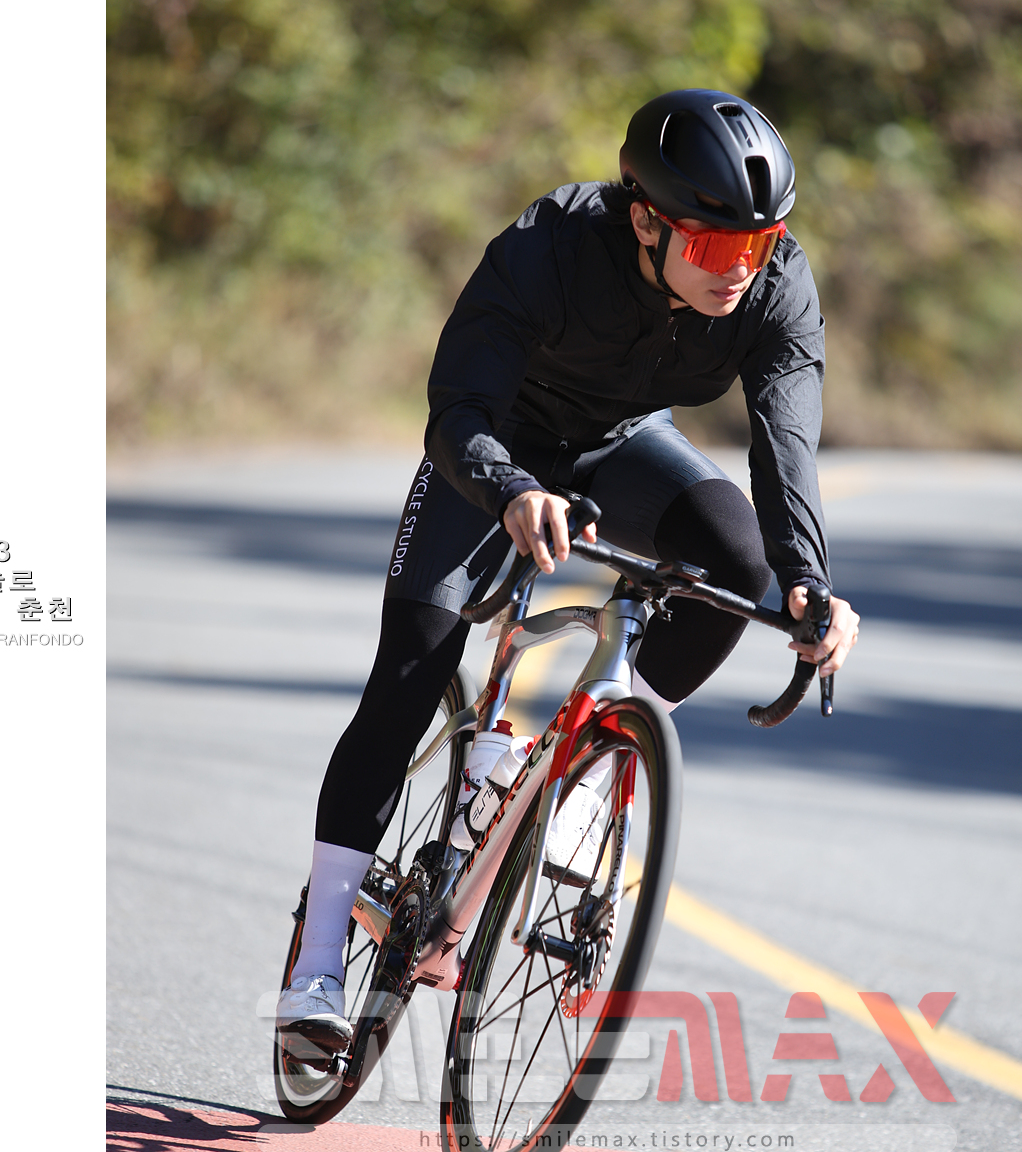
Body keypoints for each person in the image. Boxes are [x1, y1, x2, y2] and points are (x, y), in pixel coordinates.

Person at [277, 89, 860, 1048]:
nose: (738, 268)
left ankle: (583, 782)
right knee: (410, 673)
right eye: (714, 244)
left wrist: (810, 580)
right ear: (646, 220)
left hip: (622, 444)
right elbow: (457, 411)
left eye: (758, 243)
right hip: (497, 446)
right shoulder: (549, 243)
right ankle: (317, 960)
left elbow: (786, 447)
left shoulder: (774, 283)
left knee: (737, 560)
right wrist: (508, 487)